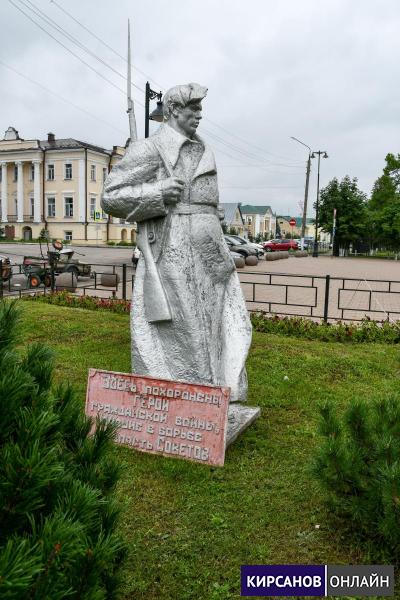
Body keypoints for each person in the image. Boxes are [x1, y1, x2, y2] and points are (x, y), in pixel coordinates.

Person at [101, 83, 251, 402]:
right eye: (193, 108)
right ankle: (191, 399)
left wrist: (211, 215)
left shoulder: (203, 148)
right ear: (172, 110)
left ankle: (218, 390)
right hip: (172, 248)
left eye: (200, 108)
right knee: (186, 329)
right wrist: (156, 193)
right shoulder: (150, 149)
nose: (199, 114)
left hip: (210, 250)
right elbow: (110, 197)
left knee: (218, 322)